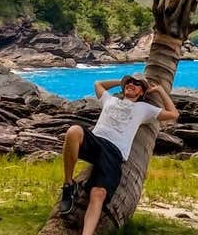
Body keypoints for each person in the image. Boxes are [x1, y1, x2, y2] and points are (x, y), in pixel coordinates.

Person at [59, 74, 179, 235]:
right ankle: (68, 185)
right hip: (97, 140)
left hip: (114, 152)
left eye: (137, 84)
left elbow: (174, 114)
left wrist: (160, 91)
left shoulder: (144, 109)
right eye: (130, 82)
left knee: (99, 194)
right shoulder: (110, 100)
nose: (132, 84)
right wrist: (122, 82)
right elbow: (98, 83)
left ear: (142, 93)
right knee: (73, 131)